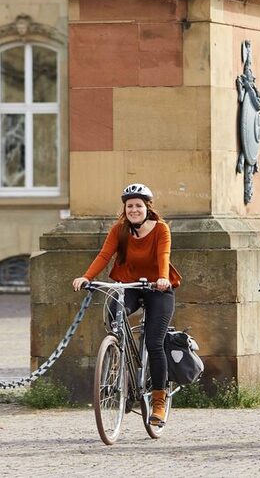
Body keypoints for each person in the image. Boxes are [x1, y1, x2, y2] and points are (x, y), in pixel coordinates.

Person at [72, 183, 181, 427]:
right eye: (129, 206)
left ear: (147, 208)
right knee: (114, 316)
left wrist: (162, 278)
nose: (134, 210)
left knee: (154, 343)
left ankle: (159, 402)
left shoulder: (161, 229)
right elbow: (104, 255)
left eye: (138, 206)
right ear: (125, 209)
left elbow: (164, 255)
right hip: (128, 286)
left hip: (158, 288)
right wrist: (87, 277)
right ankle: (121, 361)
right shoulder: (119, 231)